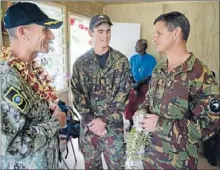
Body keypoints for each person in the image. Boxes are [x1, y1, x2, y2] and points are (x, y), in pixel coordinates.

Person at [132, 11, 220, 169]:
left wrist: (160, 124)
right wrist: (142, 111)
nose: (154, 38)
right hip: (150, 158)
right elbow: (148, 99)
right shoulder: (159, 68)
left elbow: (209, 125)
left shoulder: (201, 75)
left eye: (158, 33)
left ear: (176, 33)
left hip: (178, 163)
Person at [0, 2, 66, 169]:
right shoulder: (6, 78)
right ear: (23, 32)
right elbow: (10, 147)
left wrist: (48, 112)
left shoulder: (32, 69)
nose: (51, 36)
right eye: (45, 29)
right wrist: (55, 123)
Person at [71, 14, 131, 169]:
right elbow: (77, 95)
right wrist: (93, 122)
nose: (105, 35)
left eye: (108, 31)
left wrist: (103, 120)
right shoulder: (81, 63)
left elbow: (123, 94)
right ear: (91, 33)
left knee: (117, 166)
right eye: (100, 31)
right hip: (89, 129)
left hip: (113, 129)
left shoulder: (121, 61)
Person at [125, 39, 156, 132]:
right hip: (134, 85)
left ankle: (141, 126)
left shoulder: (151, 59)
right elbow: (129, 72)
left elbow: (151, 75)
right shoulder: (133, 58)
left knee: (143, 106)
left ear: (143, 47)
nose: (135, 47)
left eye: (137, 45)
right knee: (129, 105)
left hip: (145, 85)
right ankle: (131, 123)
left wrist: (139, 84)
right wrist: (134, 84)